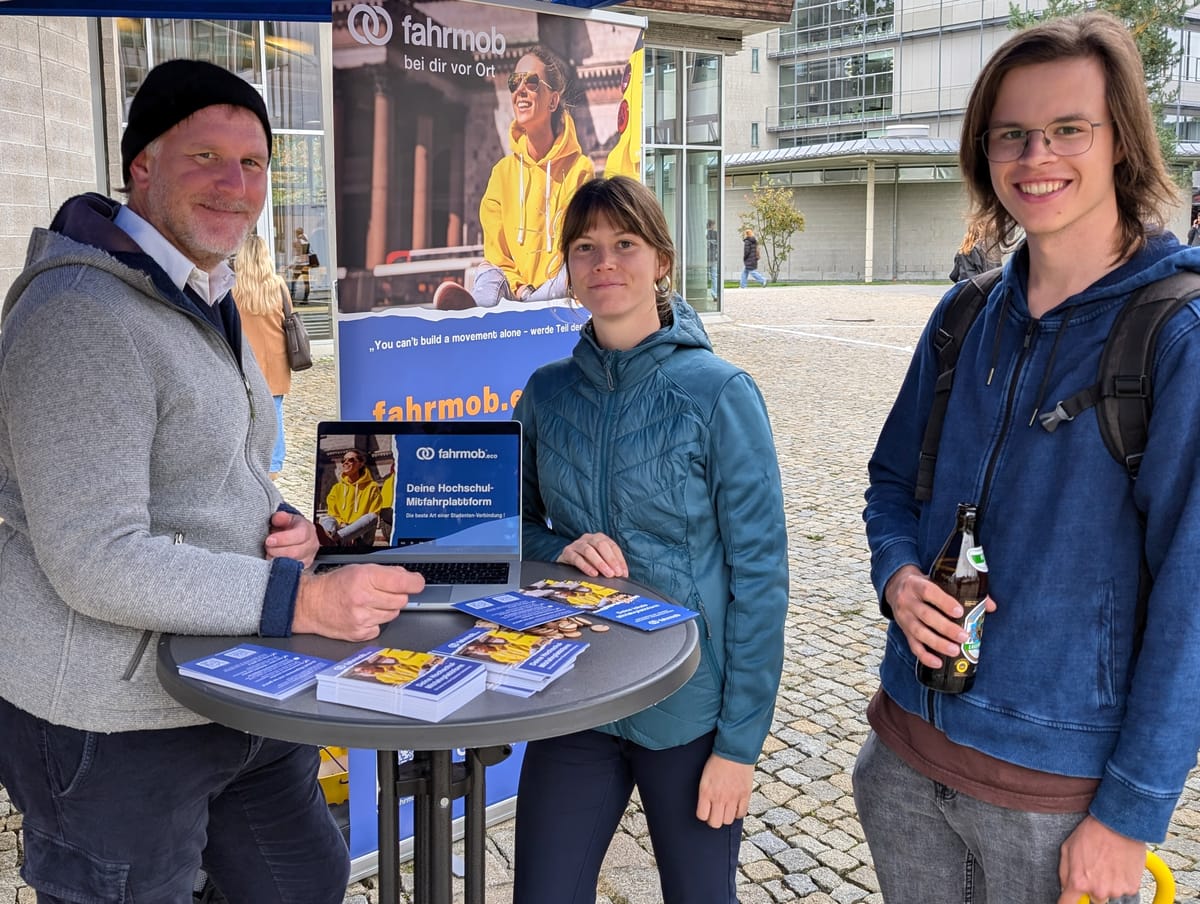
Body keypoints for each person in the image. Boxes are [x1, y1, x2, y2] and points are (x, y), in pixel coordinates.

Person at [0, 59, 424, 903]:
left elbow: (227, 465)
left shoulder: (198, 291)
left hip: (236, 685)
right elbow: (97, 556)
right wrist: (297, 600)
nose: (236, 185)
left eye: (255, 163)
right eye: (205, 158)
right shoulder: (81, 318)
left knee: (303, 878)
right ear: (141, 168)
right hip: (113, 724)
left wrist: (288, 522)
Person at [854, 12, 1200, 904]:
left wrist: (1130, 814)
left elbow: (1195, 602)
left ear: (1120, 139)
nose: (1035, 154)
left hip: (1058, 800)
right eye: (1011, 133)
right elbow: (891, 483)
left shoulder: (1178, 338)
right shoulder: (963, 317)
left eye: (1067, 129)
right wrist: (896, 577)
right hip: (904, 759)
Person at [511, 175, 789, 904]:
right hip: (574, 695)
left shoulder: (719, 394)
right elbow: (509, 527)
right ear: (569, 270)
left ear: (661, 260)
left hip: (687, 710)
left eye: (624, 244)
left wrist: (738, 746)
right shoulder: (545, 394)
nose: (605, 262)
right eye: (585, 248)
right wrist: (556, 547)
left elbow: (761, 575)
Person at [471, 47, 595, 308]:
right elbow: (497, 252)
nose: (520, 90)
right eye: (515, 82)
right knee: (487, 272)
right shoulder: (502, 173)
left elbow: (580, 244)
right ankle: (468, 311)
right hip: (515, 291)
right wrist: (520, 289)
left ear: (553, 101)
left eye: (532, 81)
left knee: (569, 275)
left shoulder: (580, 170)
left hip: (558, 289)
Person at [233, 233, 291, 479]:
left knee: (245, 412)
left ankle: (248, 461)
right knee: (274, 411)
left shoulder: (233, 287)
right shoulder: (277, 285)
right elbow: (290, 318)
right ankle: (274, 465)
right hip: (276, 360)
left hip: (245, 360)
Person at [317, 449, 383, 548]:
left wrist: (351, 534)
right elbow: (333, 513)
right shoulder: (337, 488)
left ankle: (332, 540)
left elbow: (373, 514)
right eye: (343, 460)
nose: (346, 463)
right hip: (341, 531)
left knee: (372, 517)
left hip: (361, 537)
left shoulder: (372, 487)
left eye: (351, 460)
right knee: (326, 518)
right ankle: (332, 538)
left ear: (360, 464)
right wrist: (344, 527)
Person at [290, 226, 312, 301]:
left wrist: (292, 263)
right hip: (306, 263)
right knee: (306, 281)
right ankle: (306, 298)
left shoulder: (297, 241)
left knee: (293, 280)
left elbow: (298, 254)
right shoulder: (306, 240)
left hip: (299, 264)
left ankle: (292, 296)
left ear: (297, 233)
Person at [706, 218, 720, 299]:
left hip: (706, 258)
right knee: (714, 276)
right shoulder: (716, 234)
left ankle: (713, 293)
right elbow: (718, 246)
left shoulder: (704, 234)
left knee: (707, 275)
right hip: (713, 257)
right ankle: (714, 293)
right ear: (712, 225)